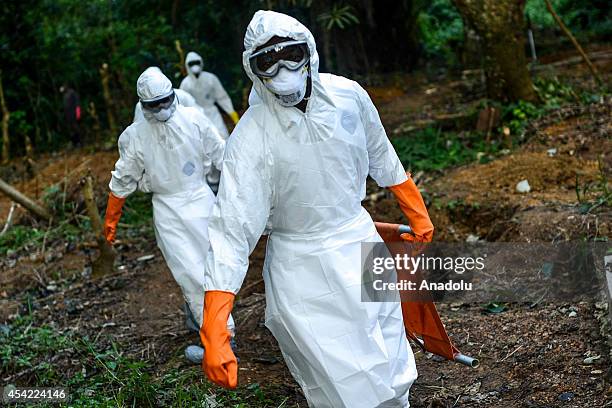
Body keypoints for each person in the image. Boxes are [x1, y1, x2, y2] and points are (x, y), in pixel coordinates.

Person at [199, 10, 434, 408]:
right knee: (341, 377)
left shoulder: (347, 96)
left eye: (290, 54)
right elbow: (231, 232)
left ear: (308, 50)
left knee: (389, 349)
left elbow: (381, 154)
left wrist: (416, 210)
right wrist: (214, 327)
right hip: (301, 266)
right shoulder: (250, 138)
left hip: (358, 238)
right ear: (254, 70)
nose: (282, 69)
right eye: (267, 61)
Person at [103, 67, 234, 360]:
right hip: (168, 208)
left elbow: (222, 156)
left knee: (212, 267)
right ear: (143, 105)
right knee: (190, 272)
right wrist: (111, 218)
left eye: (165, 101)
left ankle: (220, 339)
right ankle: (219, 335)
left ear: (173, 95)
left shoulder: (194, 118)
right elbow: (123, 177)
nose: (162, 109)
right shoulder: (135, 136)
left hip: (200, 199)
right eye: (154, 105)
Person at [180, 52, 240, 192]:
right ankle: (211, 182)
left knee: (224, 141)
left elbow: (222, 97)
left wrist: (233, 116)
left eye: (196, 62)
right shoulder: (185, 84)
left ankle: (227, 177)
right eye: (191, 64)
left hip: (213, 113)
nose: (194, 66)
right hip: (196, 117)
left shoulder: (211, 79)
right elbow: (182, 106)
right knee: (203, 148)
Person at [133, 84, 200, 122]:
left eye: (164, 101)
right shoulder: (139, 107)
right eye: (154, 104)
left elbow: (197, 111)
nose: (160, 106)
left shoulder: (181, 95)